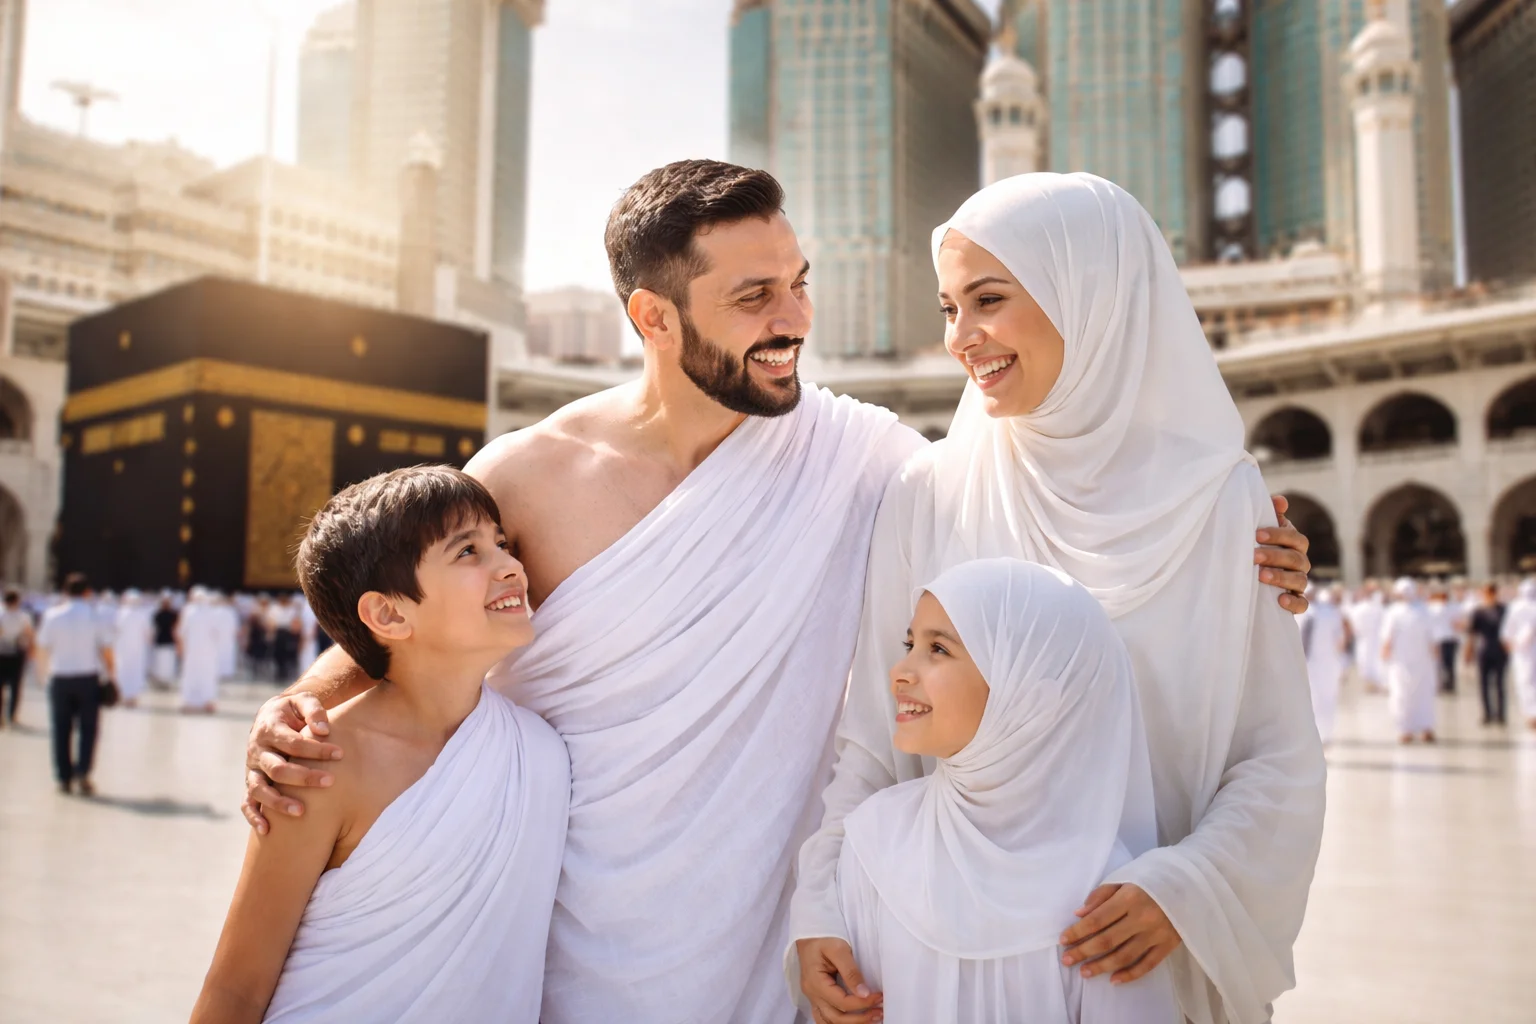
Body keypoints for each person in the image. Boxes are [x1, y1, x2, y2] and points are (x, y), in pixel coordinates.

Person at [238, 161, 1313, 1024]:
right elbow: (401, 632)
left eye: (799, 281)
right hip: (558, 941)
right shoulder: (524, 474)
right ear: (652, 320)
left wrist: (1259, 561)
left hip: (761, 953)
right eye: (753, 295)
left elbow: (1035, 547)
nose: (793, 316)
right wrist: (289, 713)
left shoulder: (866, 459)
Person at [789, 173, 1326, 1024]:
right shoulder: (927, 495)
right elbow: (872, 741)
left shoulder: (1222, 504)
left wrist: (1184, 887)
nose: (961, 338)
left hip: (1138, 964)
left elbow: (1276, 757)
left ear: (1091, 293)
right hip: (946, 965)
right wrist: (820, 903)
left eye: (989, 299)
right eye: (947, 307)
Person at [192, 467, 567, 1023]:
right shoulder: (324, 762)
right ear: (388, 613)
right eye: (467, 552)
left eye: (502, 543)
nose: (511, 566)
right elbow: (237, 987)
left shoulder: (542, 752)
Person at [836, 559, 1178, 1023]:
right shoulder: (875, 840)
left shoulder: (1104, 894)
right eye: (910, 643)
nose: (900, 670)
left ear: (1026, 698)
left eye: (938, 649)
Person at [35, 573, 115, 795]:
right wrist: (111, 674)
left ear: (64, 592)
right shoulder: (94, 616)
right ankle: (83, 772)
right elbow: (106, 650)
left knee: (61, 728)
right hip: (87, 678)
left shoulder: (52, 616)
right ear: (87, 592)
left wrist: (43, 675)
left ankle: (64, 777)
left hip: (60, 677)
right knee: (88, 729)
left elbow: (42, 647)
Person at [1380, 578, 1438, 744]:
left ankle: (1408, 730)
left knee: (1403, 695)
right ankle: (1420, 728)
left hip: (1406, 661)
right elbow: (1432, 640)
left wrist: (1384, 656)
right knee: (1420, 694)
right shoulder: (1423, 610)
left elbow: (1387, 640)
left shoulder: (1395, 612)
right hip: (1412, 661)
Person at [1300, 584, 1347, 744]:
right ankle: (1320, 734)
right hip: (1323, 664)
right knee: (1321, 698)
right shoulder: (1330, 612)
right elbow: (1340, 641)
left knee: (1321, 698)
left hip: (1321, 664)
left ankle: (1322, 734)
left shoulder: (1324, 612)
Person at [1465, 582, 1508, 726]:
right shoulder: (1478, 611)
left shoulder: (1503, 610)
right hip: (1484, 649)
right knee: (1483, 684)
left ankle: (1501, 714)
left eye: (1491, 592)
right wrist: (1469, 651)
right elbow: (1472, 633)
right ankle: (1487, 713)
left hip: (1500, 650)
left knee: (1499, 683)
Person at [178, 588, 223, 714]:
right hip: (204, 651)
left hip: (194, 650)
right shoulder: (210, 612)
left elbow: (181, 631)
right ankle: (199, 701)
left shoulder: (189, 611)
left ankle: (195, 701)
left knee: (194, 674)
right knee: (203, 675)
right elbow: (217, 634)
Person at [1500, 579, 1536, 731]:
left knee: (1525, 681)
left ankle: (1531, 713)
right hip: (1522, 651)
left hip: (1524, 651)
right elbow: (1508, 631)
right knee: (1525, 681)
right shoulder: (1516, 607)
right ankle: (1531, 714)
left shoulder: (1516, 607)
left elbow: (1506, 632)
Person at [112, 590, 155, 708]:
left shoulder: (121, 613)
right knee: (132, 670)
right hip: (134, 648)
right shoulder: (140, 614)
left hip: (127, 648)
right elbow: (148, 633)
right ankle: (130, 696)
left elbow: (115, 630)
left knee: (125, 670)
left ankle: (127, 695)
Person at [0, 588, 34, 727]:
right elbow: (28, 633)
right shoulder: (23, 616)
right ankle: (12, 715)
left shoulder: (1, 614)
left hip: (1, 651)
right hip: (16, 652)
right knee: (15, 686)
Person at [1346, 583, 1386, 693]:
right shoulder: (1378, 608)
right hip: (1372, 639)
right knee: (1372, 660)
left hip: (1366, 639)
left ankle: (1370, 683)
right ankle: (1373, 683)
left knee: (1365, 660)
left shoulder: (1360, 609)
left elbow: (1352, 625)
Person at [1427, 585, 1459, 694]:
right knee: (1449, 664)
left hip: (1441, 638)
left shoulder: (1433, 608)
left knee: (1441, 664)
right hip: (1448, 638)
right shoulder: (1453, 607)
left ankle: (1442, 684)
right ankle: (1449, 684)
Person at [151, 594, 179, 687]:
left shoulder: (172, 614)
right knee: (161, 661)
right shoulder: (159, 614)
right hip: (163, 640)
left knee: (167, 661)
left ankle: (166, 680)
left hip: (167, 640)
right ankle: (161, 679)